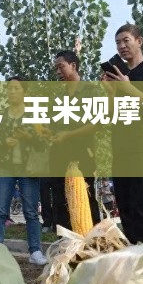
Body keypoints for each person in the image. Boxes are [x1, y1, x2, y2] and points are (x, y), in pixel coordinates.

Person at [102, 24, 143, 244]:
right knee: (125, 207)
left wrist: (129, 88)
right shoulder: (120, 76)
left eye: (126, 40)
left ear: (139, 41)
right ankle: (134, 255)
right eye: (117, 43)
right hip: (121, 147)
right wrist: (111, 93)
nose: (121, 46)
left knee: (141, 206)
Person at [0, 77, 48, 265]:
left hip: (28, 167)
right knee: (0, 210)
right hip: (5, 166)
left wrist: (28, 137)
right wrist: (3, 142)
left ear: (24, 91)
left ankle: (35, 250)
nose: (12, 91)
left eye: (16, 88)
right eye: (9, 88)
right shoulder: (0, 115)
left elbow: (44, 141)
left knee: (31, 211)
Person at [50, 50, 101, 231]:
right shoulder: (58, 98)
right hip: (59, 157)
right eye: (56, 68)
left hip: (82, 155)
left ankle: (93, 240)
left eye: (61, 67)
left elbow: (97, 123)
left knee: (86, 198)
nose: (58, 72)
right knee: (60, 201)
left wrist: (69, 135)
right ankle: (65, 243)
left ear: (73, 66)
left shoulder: (91, 91)